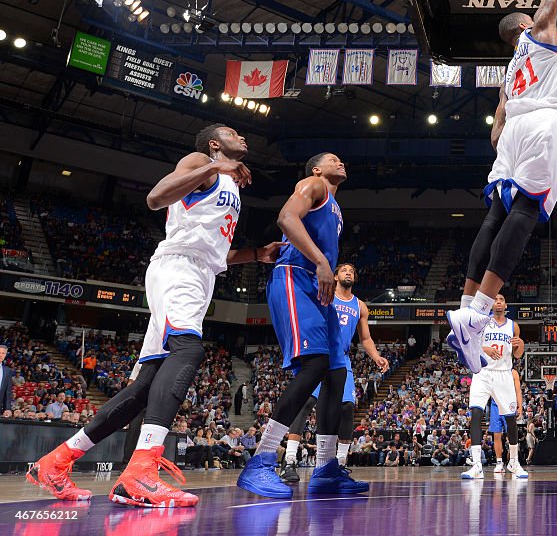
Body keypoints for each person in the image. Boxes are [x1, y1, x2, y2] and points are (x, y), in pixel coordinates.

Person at [28, 124, 278, 505]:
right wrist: (216, 168)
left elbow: (212, 249)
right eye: (232, 132)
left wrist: (256, 254)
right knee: (188, 352)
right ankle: (142, 470)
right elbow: (155, 197)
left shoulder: (224, 181)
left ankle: (56, 462)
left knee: (144, 386)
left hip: (198, 272)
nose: (242, 136)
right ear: (214, 144)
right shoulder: (201, 161)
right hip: (179, 270)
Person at [445, 0, 557, 374]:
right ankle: (479, 314)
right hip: (543, 125)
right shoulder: (539, 34)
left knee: (498, 211)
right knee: (527, 211)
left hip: (512, 134)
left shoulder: (509, 71)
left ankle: (465, 307)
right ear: (524, 24)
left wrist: (503, 143)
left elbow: (497, 124)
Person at [237, 152, 348, 500]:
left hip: (319, 287)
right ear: (316, 168)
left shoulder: (336, 207)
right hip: (296, 278)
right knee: (315, 365)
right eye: (334, 159)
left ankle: (327, 468)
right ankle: (262, 460)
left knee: (335, 375)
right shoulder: (314, 185)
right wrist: (320, 262)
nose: (341, 162)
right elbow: (286, 218)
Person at [280, 262, 389, 494]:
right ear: (336, 276)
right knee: (306, 402)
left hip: (342, 359)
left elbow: (365, 338)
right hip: (319, 352)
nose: (349, 272)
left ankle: (339, 463)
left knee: (347, 407)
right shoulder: (325, 293)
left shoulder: (360, 306)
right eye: (345, 270)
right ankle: (289, 459)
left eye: (352, 271)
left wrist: (377, 357)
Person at [462, 294, 527, 479]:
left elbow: (517, 355)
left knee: (511, 419)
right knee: (475, 413)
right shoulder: (482, 321)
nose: (498, 302)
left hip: (504, 374)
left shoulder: (513, 325)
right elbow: (470, 344)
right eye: (495, 299)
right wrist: (485, 349)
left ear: (505, 304)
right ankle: (476, 465)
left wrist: (520, 345)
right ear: (491, 304)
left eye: (501, 299)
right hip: (482, 372)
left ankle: (514, 462)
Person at [488, 367, 525, 475]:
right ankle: (499, 462)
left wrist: (520, 407)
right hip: (495, 404)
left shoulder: (513, 372)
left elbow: (518, 390)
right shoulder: (492, 371)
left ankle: (513, 461)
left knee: (511, 434)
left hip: (509, 404)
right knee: (496, 435)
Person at [0, 345, 12, 412]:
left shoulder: (7, 371)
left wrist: (7, 409)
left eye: (3, 353)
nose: (1, 355)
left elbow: (8, 392)